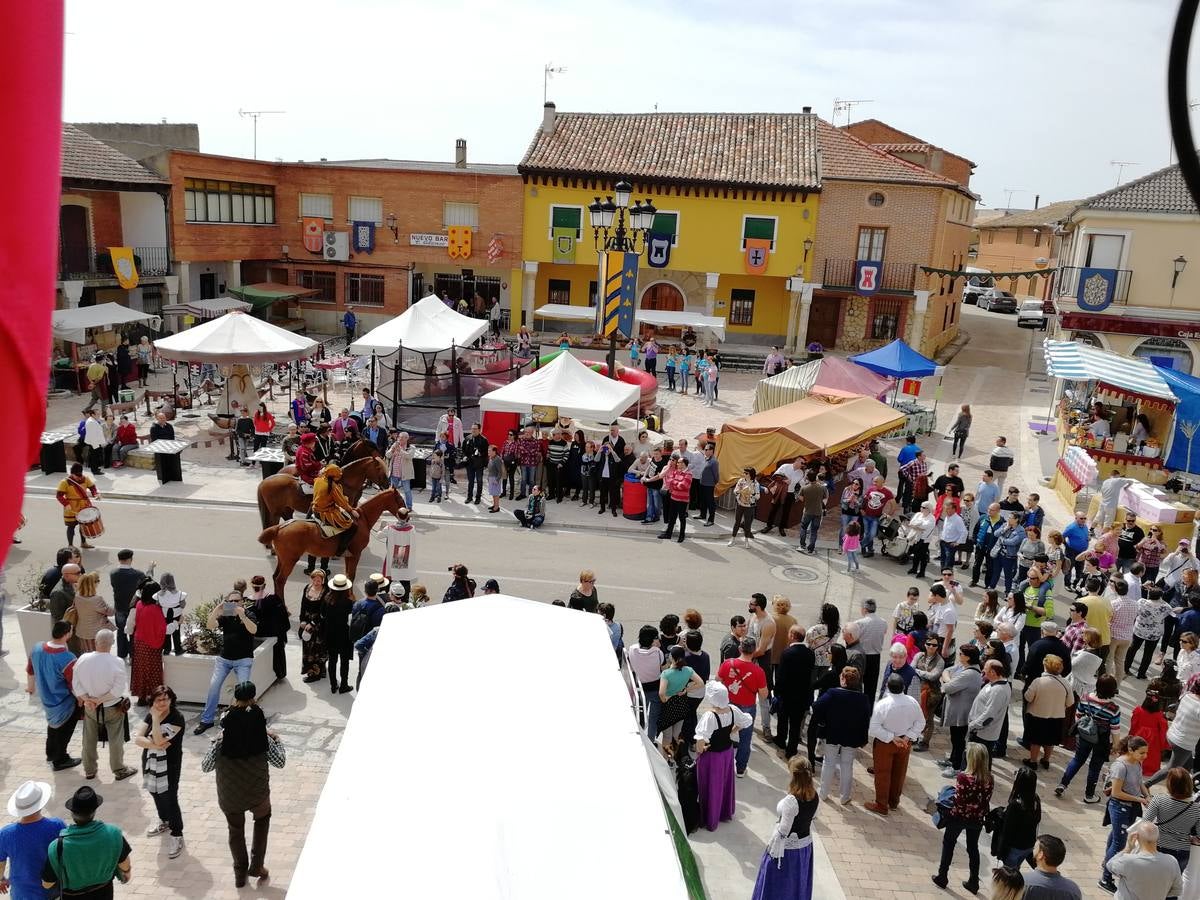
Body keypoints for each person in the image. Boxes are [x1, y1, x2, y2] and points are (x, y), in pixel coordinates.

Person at [211, 682, 277, 888]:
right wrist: (275, 739)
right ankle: (257, 866)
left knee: (235, 830)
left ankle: (240, 873)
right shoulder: (262, 736)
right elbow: (279, 761)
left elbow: (206, 765)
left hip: (230, 796)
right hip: (258, 793)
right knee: (262, 820)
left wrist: (215, 742)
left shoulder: (221, 740)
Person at [750, 756, 820, 900]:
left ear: (794, 776)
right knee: (796, 885)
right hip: (805, 847)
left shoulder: (791, 801)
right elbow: (813, 816)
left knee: (779, 886)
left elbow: (784, 831)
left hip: (787, 852)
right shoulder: (814, 795)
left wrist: (771, 854)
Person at [40, 787, 131, 897]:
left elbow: (47, 884)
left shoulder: (57, 846)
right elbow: (124, 865)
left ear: (72, 814)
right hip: (104, 892)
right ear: (94, 811)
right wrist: (126, 872)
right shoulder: (113, 833)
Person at [73, 629, 138, 782]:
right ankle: (118, 769)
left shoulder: (83, 658)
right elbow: (117, 690)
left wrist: (88, 700)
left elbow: (76, 683)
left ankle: (89, 770)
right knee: (116, 739)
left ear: (95, 641)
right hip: (112, 707)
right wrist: (100, 700)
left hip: (90, 708)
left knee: (88, 738)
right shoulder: (117, 662)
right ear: (112, 643)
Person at [194, 591, 259, 733]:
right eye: (231, 602)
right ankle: (207, 720)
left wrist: (242, 616)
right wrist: (217, 609)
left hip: (243, 660)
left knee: (244, 689)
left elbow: (253, 630)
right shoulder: (226, 616)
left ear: (242, 601)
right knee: (213, 686)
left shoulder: (249, 614)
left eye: (237, 601)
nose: (234, 604)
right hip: (224, 660)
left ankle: (244, 719)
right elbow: (210, 625)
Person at [931, 742, 993, 893]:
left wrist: (948, 814)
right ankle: (973, 881)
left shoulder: (963, 777)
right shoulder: (989, 778)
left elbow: (959, 801)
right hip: (977, 819)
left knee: (949, 843)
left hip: (959, 817)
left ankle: (942, 876)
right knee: (973, 848)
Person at [135, 684, 186, 859]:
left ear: (171, 699)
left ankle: (177, 833)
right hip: (150, 760)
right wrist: (155, 745)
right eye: (159, 699)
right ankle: (164, 820)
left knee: (170, 796)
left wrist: (156, 721)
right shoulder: (152, 714)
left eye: (166, 699)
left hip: (170, 763)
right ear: (153, 701)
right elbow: (139, 739)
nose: (162, 702)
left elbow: (157, 738)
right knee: (154, 791)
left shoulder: (177, 718)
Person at [693, 681, 752, 832]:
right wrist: (731, 730)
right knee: (724, 784)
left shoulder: (709, 716)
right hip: (727, 752)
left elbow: (700, 741)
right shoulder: (732, 709)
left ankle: (710, 817)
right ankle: (724, 812)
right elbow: (745, 721)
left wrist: (701, 749)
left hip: (712, 757)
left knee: (711, 785)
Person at [865, 674, 925, 816]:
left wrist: (892, 738)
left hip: (885, 744)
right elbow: (921, 722)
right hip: (904, 744)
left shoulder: (882, 704)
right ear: (903, 687)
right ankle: (893, 802)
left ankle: (881, 804)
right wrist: (907, 736)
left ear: (887, 687)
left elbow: (874, 728)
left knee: (883, 774)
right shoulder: (912, 702)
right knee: (899, 773)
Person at [809, 666, 871, 803]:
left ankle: (823, 793)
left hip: (832, 734)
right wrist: (863, 739)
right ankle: (844, 797)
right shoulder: (863, 699)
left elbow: (816, 707)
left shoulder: (832, 693)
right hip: (851, 737)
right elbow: (865, 721)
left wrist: (824, 720)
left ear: (843, 679)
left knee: (828, 763)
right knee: (847, 765)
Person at [1056, 673, 1122, 801]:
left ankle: (1063, 784)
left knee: (1077, 760)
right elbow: (1115, 730)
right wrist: (1115, 746)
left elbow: (1078, 716)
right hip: (1101, 740)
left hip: (1085, 735)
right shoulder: (1114, 709)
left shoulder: (1085, 698)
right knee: (1095, 767)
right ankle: (1089, 795)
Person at [26, 621, 80, 771]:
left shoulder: (37, 648)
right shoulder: (67, 658)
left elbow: (30, 670)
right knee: (64, 730)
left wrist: (30, 687)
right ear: (67, 634)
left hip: (46, 699)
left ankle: (51, 754)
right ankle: (60, 759)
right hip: (63, 702)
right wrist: (82, 700)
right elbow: (74, 686)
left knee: (53, 727)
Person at [0, 780, 65, 900]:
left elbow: (1, 863)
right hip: (50, 891)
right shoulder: (57, 825)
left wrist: (1, 879)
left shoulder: (6, 833)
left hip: (21, 892)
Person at [719, 638, 768, 777]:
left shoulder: (727, 664)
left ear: (740, 649)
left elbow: (718, 681)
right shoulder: (758, 671)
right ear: (754, 651)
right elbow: (764, 695)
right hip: (747, 707)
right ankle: (740, 769)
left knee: (723, 733)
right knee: (745, 738)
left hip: (727, 704)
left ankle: (722, 763)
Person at [1143, 766, 1200, 877]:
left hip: (1157, 847)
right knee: (1172, 886)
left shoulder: (1159, 800)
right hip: (1181, 851)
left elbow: (1145, 824)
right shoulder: (1196, 808)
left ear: (1170, 784)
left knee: (1152, 881)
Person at [1104, 819, 1181, 898]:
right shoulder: (1172, 861)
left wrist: (1128, 848)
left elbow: (1110, 865)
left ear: (1137, 837)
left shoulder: (1128, 861)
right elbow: (1177, 890)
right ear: (1158, 838)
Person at [1022, 654, 1071, 771]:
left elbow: (1028, 697)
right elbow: (1070, 702)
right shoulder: (1065, 683)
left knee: (1035, 740)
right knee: (1051, 740)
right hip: (1057, 717)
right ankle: (1046, 760)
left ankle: (1033, 761)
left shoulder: (1038, 681)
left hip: (1037, 715)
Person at [1147, 678, 1200, 787]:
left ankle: (1181, 791)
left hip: (1173, 734)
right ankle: (1145, 785)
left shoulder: (1187, 696)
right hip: (1183, 743)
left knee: (1186, 768)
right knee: (1171, 768)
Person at [939, 646, 983, 775]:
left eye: (961, 653)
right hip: (958, 710)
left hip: (962, 713)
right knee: (954, 737)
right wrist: (949, 679)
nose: (959, 655)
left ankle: (956, 766)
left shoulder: (969, 673)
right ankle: (952, 760)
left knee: (958, 740)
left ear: (968, 657)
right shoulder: (964, 667)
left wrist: (947, 680)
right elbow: (947, 670)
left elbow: (947, 688)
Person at [774, 626, 814, 758]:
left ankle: (781, 740)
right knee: (796, 724)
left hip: (787, 694)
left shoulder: (787, 653)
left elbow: (781, 675)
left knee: (783, 719)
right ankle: (792, 749)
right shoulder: (810, 653)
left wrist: (777, 692)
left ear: (792, 635)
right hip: (802, 695)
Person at [125, 582, 166, 706]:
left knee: (140, 669)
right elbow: (161, 628)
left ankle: (141, 696)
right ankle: (154, 696)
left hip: (139, 641)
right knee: (153, 670)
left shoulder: (139, 604)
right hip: (151, 643)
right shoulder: (156, 609)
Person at [994, 766, 1042, 871]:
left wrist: (1000, 851)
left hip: (1015, 847)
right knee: (1015, 870)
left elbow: (1007, 830)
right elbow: (1038, 820)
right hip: (1028, 846)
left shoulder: (1015, 804)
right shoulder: (1035, 799)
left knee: (1009, 875)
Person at [250, 576, 289, 682]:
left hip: (257, 636)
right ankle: (279, 673)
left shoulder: (248, 601)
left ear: (252, 586)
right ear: (265, 585)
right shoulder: (274, 599)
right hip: (274, 634)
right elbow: (283, 617)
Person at [1022, 835, 1083, 900]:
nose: (1032, 850)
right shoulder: (1073, 890)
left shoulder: (1023, 883)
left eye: (1034, 848)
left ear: (1041, 854)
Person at [322, 574, 354, 694]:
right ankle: (344, 685)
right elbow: (351, 620)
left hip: (330, 635)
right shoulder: (349, 603)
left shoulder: (327, 599)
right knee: (344, 662)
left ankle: (333, 685)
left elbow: (322, 615)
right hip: (345, 636)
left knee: (332, 660)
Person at [55, 463, 99, 550]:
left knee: (83, 525)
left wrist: (95, 494)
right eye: (77, 475)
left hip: (84, 506)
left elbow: (92, 487)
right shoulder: (65, 482)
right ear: (72, 473)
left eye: (80, 475)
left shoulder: (85, 479)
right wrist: (66, 504)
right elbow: (59, 495)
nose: (79, 477)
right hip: (71, 507)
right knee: (71, 526)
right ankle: (70, 545)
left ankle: (83, 543)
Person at [760, 456, 804, 537]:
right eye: (802, 462)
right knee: (774, 509)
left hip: (790, 493)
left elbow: (796, 482)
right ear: (797, 461)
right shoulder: (785, 466)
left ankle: (781, 528)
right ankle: (768, 526)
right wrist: (784, 480)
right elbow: (776, 475)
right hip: (780, 491)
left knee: (786, 512)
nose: (803, 464)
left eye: (803, 463)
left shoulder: (800, 472)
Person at [298, 570, 328, 684]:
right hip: (306, 623)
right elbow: (303, 605)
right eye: (315, 580)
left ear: (323, 580)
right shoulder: (307, 588)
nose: (316, 582)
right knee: (307, 648)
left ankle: (316, 673)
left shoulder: (326, 592)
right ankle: (310, 670)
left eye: (319, 580)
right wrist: (302, 620)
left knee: (316, 649)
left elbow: (323, 611)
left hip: (318, 624)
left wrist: (313, 623)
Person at [657, 457, 693, 543]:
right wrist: (676, 483)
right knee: (672, 517)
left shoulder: (689, 474)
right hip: (674, 498)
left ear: (684, 464)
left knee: (682, 518)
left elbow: (684, 486)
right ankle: (668, 534)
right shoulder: (676, 471)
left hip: (682, 500)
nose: (677, 464)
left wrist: (675, 483)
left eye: (679, 462)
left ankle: (682, 535)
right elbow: (669, 482)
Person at [154, 573, 187, 656]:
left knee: (166, 633)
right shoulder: (180, 594)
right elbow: (183, 605)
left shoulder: (158, 595)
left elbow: (157, 605)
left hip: (164, 617)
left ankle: (166, 649)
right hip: (176, 616)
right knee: (176, 633)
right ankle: (178, 649)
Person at [796, 471, 828, 554]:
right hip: (818, 513)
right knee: (814, 531)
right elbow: (824, 498)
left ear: (808, 478)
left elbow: (801, 498)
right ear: (815, 478)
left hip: (807, 511)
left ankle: (802, 545)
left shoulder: (804, 488)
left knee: (804, 528)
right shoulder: (822, 488)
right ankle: (811, 549)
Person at [904, 501, 937, 578]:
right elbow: (911, 523)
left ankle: (922, 572)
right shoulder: (918, 514)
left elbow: (924, 527)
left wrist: (917, 526)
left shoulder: (931, 518)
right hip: (915, 537)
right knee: (915, 554)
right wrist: (918, 526)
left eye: (923, 507)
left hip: (924, 540)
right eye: (921, 507)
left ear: (928, 509)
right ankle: (914, 568)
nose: (921, 508)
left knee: (922, 556)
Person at [385, 431, 415, 509]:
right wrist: (392, 450)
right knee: (393, 491)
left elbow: (409, 456)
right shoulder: (394, 446)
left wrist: (400, 450)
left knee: (407, 491)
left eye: (402, 438)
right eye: (399, 437)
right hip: (394, 473)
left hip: (404, 473)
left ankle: (409, 506)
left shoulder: (411, 447)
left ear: (407, 439)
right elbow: (387, 455)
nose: (400, 439)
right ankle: (392, 506)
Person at [461, 423, 489, 505]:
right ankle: (469, 497)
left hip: (479, 464)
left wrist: (484, 463)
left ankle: (478, 497)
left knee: (479, 481)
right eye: (472, 428)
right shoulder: (467, 438)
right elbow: (463, 450)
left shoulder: (484, 440)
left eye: (475, 429)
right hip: (469, 464)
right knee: (470, 481)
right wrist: (464, 456)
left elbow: (486, 454)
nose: (473, 430)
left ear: (479, 430)